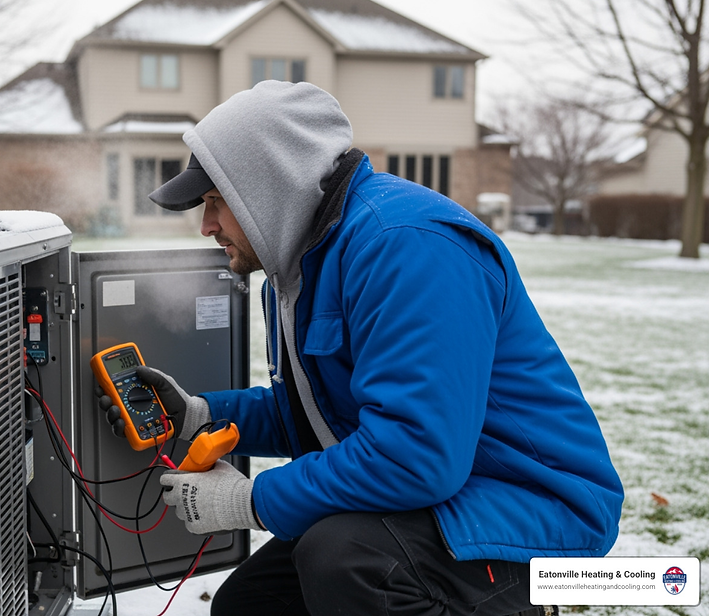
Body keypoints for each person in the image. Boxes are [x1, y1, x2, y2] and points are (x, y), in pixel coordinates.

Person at [98, 81, 624, 616]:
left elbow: (415, 455)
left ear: (271, 187)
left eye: (215, 201)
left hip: (539, 514)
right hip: (447, 499)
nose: (206, 225)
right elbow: (318, 417)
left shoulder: (406, 246)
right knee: (250, 604)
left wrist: (249, 501)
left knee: (346, 561)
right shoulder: (300, 270)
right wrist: (200, 415)